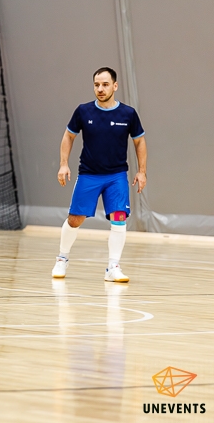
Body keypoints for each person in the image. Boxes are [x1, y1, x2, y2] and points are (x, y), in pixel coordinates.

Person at [53, 67, 147, 282]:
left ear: (115, 86)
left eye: (105, 84)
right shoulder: (83, 111)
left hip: (117, 176)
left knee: (119, 217)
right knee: (75, 220)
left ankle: (113, 267)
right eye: (96, 85)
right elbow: (68, 136)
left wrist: (142, 172)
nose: (100, 89)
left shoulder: (128, 114)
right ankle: (62, 258)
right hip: (89, 175)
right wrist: (63, 164)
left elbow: (139, 141)